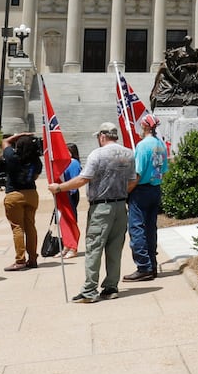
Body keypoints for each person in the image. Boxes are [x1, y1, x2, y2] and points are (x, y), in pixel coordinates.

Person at [49, 122, 134, 303]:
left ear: (102, 136)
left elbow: (83, 179)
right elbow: (133, 180)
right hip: (120, 206)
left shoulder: (98, 154)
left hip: (101, 207)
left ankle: (89, 290)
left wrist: (59, 188)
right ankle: (111, 287)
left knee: (94, 247)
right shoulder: (128, 153)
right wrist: (119, 192)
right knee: (114, 249)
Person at [126, 113, 167, 281]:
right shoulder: (160, 145)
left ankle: (144, 266)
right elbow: (163, 170)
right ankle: (152, 263)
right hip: (155, 188)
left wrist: (127, 190)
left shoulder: (143, 146)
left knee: (137, 228)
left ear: (144, 127)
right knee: (150, 228)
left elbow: (137, 172)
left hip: (141, 190)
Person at [0, 133, 44, 270]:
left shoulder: (12, 156)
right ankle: (33, 259)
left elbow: (5, 141)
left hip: (14, 193)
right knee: (31, 227)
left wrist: (20, 135)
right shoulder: (36, 161)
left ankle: (20, 260)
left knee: (17, 227)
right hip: (31, 194)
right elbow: (35, 177)